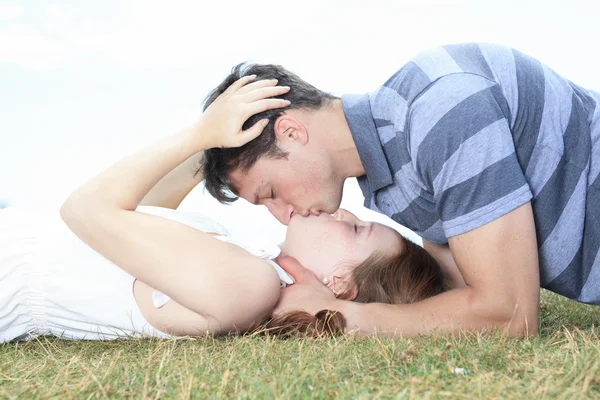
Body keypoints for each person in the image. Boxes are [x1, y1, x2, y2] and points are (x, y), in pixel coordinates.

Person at [0, 77, 446, 343]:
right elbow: (143, 219)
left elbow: (85, 210)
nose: (347, 213)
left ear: (341, 284)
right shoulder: (247, 267)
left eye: (357, 231)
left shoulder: (248, 286)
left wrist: (197, 135)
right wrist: (223, 149)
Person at [202, 43, 600, 337]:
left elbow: (510, 316)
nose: (282, 213)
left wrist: (338, 317)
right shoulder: (392, 167)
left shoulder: (439, 113)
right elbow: (458, 298)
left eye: (270, 191)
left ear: (290, 131)